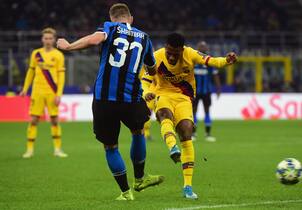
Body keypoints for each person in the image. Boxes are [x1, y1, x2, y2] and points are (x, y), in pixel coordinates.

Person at [56, 3, 163, 201]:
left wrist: (68, 46)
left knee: (110, 146)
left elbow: (96, 40)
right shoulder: (145, 37)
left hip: (104, 98)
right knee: (138, 132)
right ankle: (139, 179)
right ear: (130, 18)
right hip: (131, 97)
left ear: (112, 18)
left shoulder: (110, 27)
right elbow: (152, 69)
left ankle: (125, 192)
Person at [142, 33, 237, 199]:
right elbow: (145, 78)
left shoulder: (190, 53)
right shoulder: (155, 56)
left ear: (182, 50)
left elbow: (211, 61)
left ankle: (187, 187)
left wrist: (226, 61)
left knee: (186, 131)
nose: (171, 56)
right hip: (162, 94)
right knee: (165, 115)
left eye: (175, 53)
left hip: (184, 99)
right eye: (169, 52)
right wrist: (147, 92)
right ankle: (172, 147)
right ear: (166, 47)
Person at [20, 27, 67, 158]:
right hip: (37, 91)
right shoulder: (36, 54)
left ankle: (57, 149)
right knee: (34, 120)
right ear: (42, 39)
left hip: (52, 92)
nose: (48, 40)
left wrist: (59, 94)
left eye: (50, 38)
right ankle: (29, 150)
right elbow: (30, 72)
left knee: (54, 120)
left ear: (54, 39)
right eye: (46, 38)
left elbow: (61, 76)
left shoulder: (58, 55)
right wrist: (25, 88)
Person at [193, 41, 221, 142]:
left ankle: (208, 134)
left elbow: (215, 75)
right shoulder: (193, 60)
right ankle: (193, 134)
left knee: (207, 111)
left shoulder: (209, 61)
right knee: (193, 112)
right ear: (197, 48)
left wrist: (218, 89)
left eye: (204, 47)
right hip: (194, 91)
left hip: (206, 91)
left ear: (206, 48)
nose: (202, 48)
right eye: (200, 47)